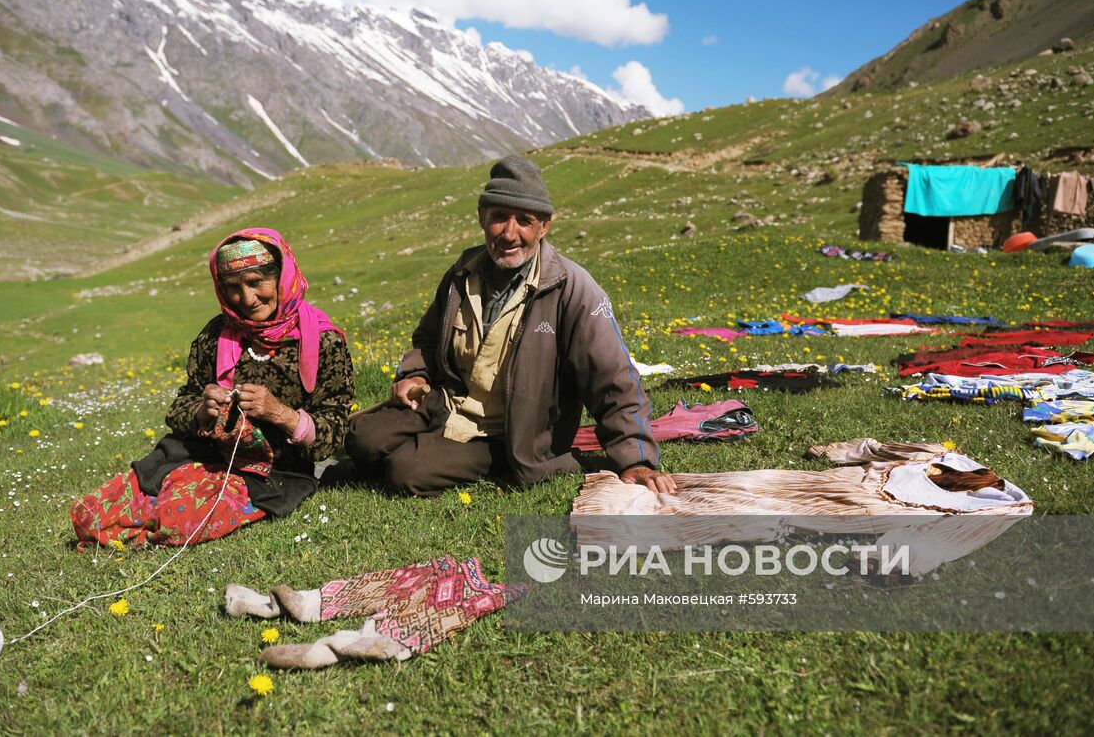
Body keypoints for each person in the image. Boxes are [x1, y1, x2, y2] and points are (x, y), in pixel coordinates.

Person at [345, 156, 674, 497]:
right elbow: (427, 339)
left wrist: (636, 459)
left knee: (406, 471)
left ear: (544, 226)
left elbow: (613, 379)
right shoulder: (462, 273)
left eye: (525, 221)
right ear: (481, 218)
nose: (509, 233)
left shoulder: (572, 288)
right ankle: (422, 447)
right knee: (360, 438)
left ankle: (532, 464)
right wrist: (414, 374)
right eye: (499, 218)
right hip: (449, 404)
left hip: (513, 433)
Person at [70, 227, 354, 548]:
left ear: (282, 277)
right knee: (90, 515)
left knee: (178, 522)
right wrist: (202, 412)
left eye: (257, 283)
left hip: (272, 473)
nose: (247, 298)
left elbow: (336, 431)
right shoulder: (215, 336)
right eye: (233, 288)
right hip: (200, 457)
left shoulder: (324, 342)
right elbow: (179, 408)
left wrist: (280, 413)